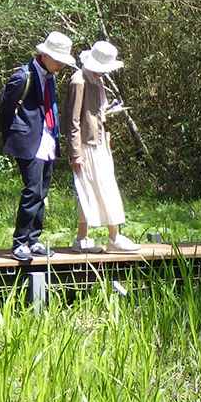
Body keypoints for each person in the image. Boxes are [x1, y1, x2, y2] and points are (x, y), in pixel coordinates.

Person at [0, 31, 76, 262]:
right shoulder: (23, 77)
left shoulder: (50, 75)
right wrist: (12, 138)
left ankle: (34, 239)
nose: (61, 64)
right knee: (32, 191)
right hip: (28, 142)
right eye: (58, 59)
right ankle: (20, 243)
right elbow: (4, 111)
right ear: (44, 54)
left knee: (42, 192)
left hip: (48, 140)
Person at [62, 40, 140, 253]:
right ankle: (114, 238)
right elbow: (73, 120)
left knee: (93, 189)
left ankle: (81, 239)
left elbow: (95, 111)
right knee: (98, 188)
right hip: (86, 145)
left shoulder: (95, 79)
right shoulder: (79, 81)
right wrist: (76, 153)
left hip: (99, 140)